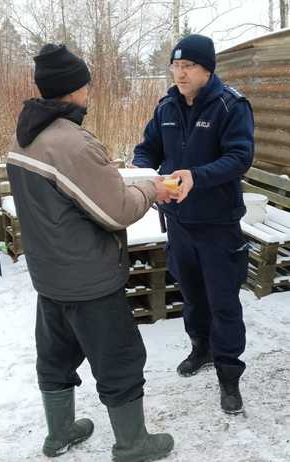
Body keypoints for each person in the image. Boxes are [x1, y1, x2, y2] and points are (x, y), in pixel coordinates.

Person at [6, 43, 176, 461]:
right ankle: (134, 444)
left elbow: (63, 198)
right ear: (75, 89)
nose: (89, 91)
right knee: (118, 360)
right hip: (90, 280)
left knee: (56, 357)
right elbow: (115, 211)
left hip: (50, 277)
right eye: (86, 84)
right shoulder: (71, 142)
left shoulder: (22, 135)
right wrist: (150, 189)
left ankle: (59, 433)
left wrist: (107, 179)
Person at [132, 34, 254, 414]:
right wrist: (141, 169)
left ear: (207, 69)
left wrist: (196, 176)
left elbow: (239, 157)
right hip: (179, 223)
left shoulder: (230, 106)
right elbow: (147, 148)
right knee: (192, 294)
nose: (180, 73)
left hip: (218, 225)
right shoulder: (166, 105)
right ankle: (200, 348)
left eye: (188, 67)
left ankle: (229, 376)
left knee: (223, 302)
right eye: (176, 66)